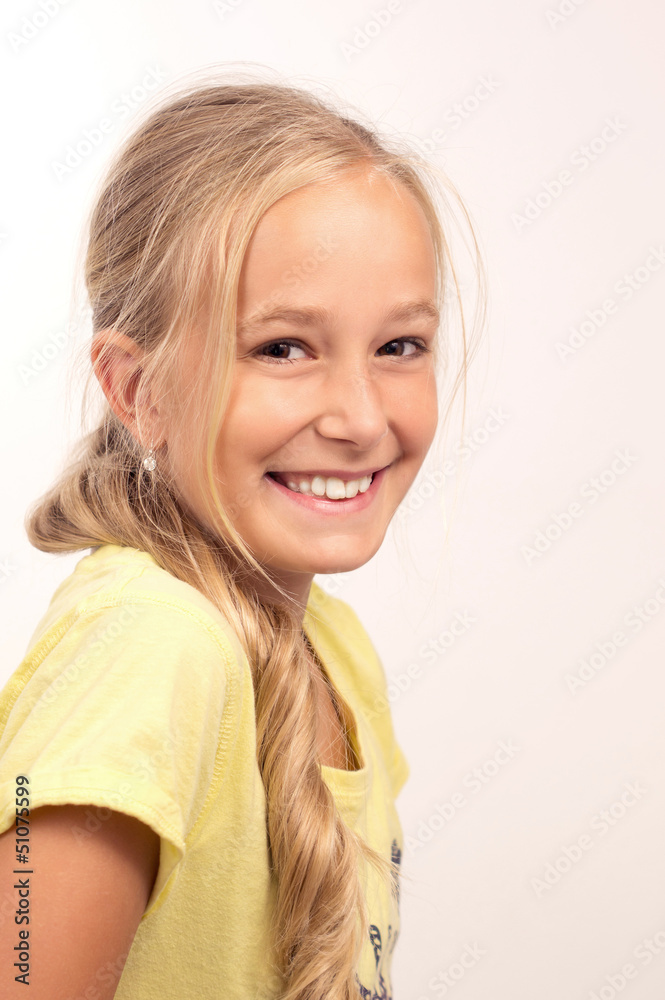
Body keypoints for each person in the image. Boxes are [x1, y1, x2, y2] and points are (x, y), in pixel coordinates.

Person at [0, 70, 483, 999]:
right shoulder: (152, 646)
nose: (359, 418)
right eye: (282, 348)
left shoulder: (333, 647)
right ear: (137, 390)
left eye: (398, 346)